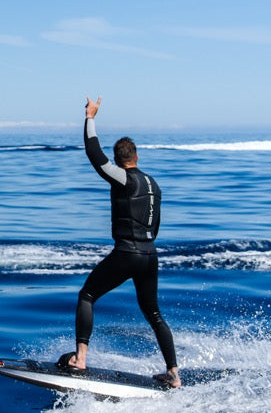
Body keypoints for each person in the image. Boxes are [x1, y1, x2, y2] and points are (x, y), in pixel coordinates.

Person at [58, 97, 180, 388]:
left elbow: (94, 154)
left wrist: (90, 116)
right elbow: (157, 224)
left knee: (87, 295)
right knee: (153, 313)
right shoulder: (154, 184)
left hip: (128, 252)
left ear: (121, 159)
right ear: (136, 156)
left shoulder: (124, 178)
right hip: (150, 255)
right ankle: (174, 374)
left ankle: (80, 358)